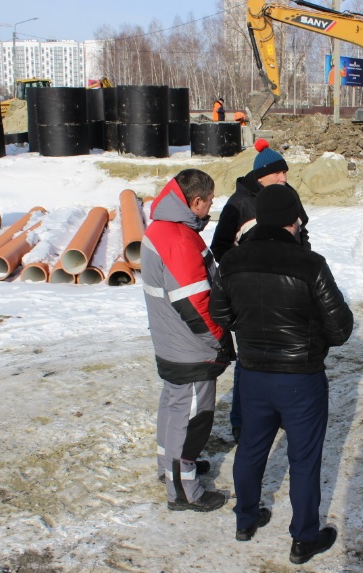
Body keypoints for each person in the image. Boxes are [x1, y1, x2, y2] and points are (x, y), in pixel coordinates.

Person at [210, 184, 354, 564]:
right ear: (293, 221)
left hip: (253, 374)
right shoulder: (310, 264)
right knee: (304, 459)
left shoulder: (233, 261)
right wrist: (311, 337)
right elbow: (340, 329)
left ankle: (245, 520)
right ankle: (304, 537)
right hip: (300, 378)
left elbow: (220, 314)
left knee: (252, 447)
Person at [141, 168, 235, 512]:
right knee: (193, 420)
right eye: (209, 201)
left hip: (171, 342)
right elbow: (195, 304)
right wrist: (220, 341)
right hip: (190, 347)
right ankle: (184, 490)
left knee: (173, 407)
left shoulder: (163, 228)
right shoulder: (178, 239)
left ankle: (171, 469)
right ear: (195, 202)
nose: (212, 206)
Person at [209, 138, 311, 444]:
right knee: (249, 360)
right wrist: (241, 275)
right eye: (277, 173)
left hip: (286, 290)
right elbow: (220, 246)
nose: (283, 178)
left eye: (285, 173)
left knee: (282, 356)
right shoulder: (238, 203)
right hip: (251, 295)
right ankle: (241, 420)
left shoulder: (288, 195)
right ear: (260, 175)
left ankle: (277, 413)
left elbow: (303, 233)